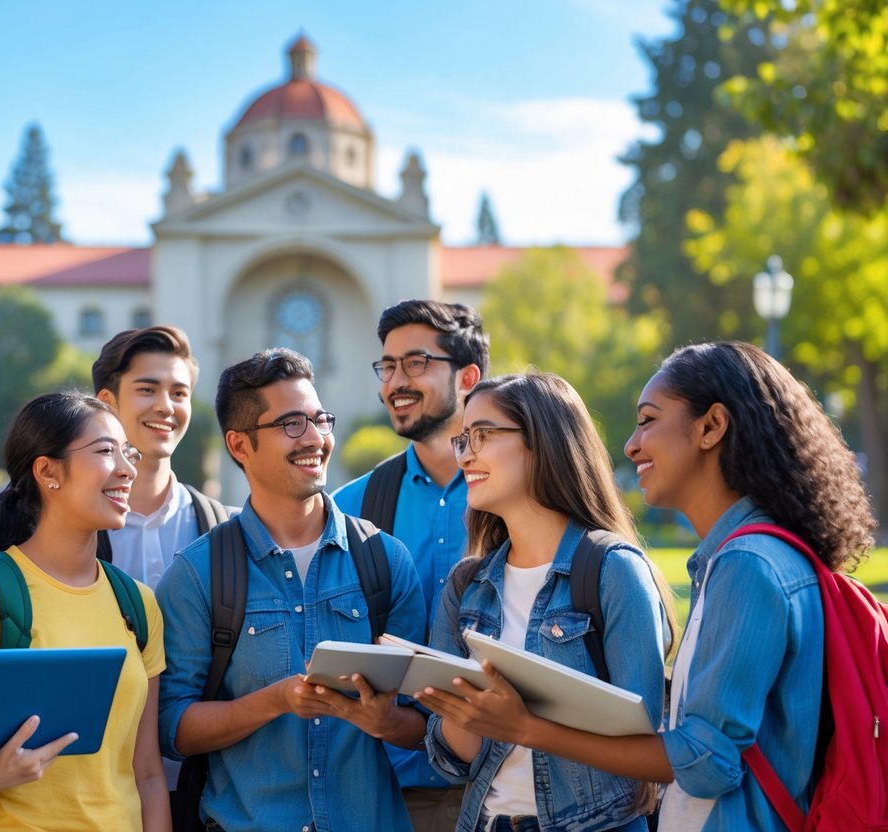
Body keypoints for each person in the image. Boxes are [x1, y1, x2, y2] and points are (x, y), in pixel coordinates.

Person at [418, 343, 877, 831]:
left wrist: (526, 728)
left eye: (648, 420)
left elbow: (705, 761)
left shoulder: (747, 563)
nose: (632, 445)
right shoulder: (734, 559)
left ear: (710, 427)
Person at [157, 348, 428, 832]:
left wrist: (383, 720)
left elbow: (427, 725)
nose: (315, 439)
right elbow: (172, 728)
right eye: (290, 424)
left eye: (319, 419)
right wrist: (276, 700)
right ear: (239, 446)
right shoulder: (197, 574)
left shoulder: (385, 561)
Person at [414, 372, 674, 832]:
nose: (467, 453)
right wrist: (462, 709)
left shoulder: (614, 571)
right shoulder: (465, 585)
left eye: (484, 434)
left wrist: (522, 723)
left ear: (542, 442)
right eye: (463, 439)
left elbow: (645, 751)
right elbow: (451, 762)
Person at [0, 391, 170, 831]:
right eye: (107, 452)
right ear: (48, 471)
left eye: (127, 453)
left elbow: (147, 773)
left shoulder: (139, 603)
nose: (128, 469)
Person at [332, 299, 487, 829]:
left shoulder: (521, 494)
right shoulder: (351, 506)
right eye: (388, 365)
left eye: (416, 363)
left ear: (467, 376)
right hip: (391, 789)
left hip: (506, 783)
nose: (396, 381)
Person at [92, 324, 228, 589]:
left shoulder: (219, 528)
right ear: (108, 401)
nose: (166, 407)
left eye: (179, 393)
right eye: (147, 390)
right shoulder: (70, 525)